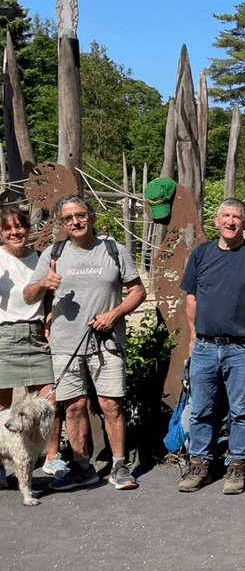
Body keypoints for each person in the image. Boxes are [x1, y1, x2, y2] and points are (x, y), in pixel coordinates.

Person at [24, 195, 146, 491]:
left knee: (111, 404)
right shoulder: (53, 253)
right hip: (66, 344)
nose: (75, 222)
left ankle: (119, 465)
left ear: (91, 217)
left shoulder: (112, 250)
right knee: (73, 407)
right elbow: (28, 295)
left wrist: (115, 313)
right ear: (62, 223)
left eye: (80, 215)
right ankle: (83, 467)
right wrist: (43, 284)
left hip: (107, 342)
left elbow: (137, 291)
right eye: (68, 218)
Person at [177, 198, 245, 495]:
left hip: (242, 348)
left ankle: (237, 466)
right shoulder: (201, 254)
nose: (231, 221)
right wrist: (194, 334)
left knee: (241, 411)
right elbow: (191, 297)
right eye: (226, 215)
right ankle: (200, 465)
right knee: (201, 409)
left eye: (237, 217)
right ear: (216, 220)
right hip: (205, 347)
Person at [0, 207, 65, 488]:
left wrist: (49, 321)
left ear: (28, 228)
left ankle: (51, 458)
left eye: (19, 226)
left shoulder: (40, 258)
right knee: (2, 405)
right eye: (8, 228)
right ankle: (1, 465)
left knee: (47, 401)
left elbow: (49, 298)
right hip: (3, 334)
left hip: (36, 333)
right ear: (1, 233)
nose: (15, 232)